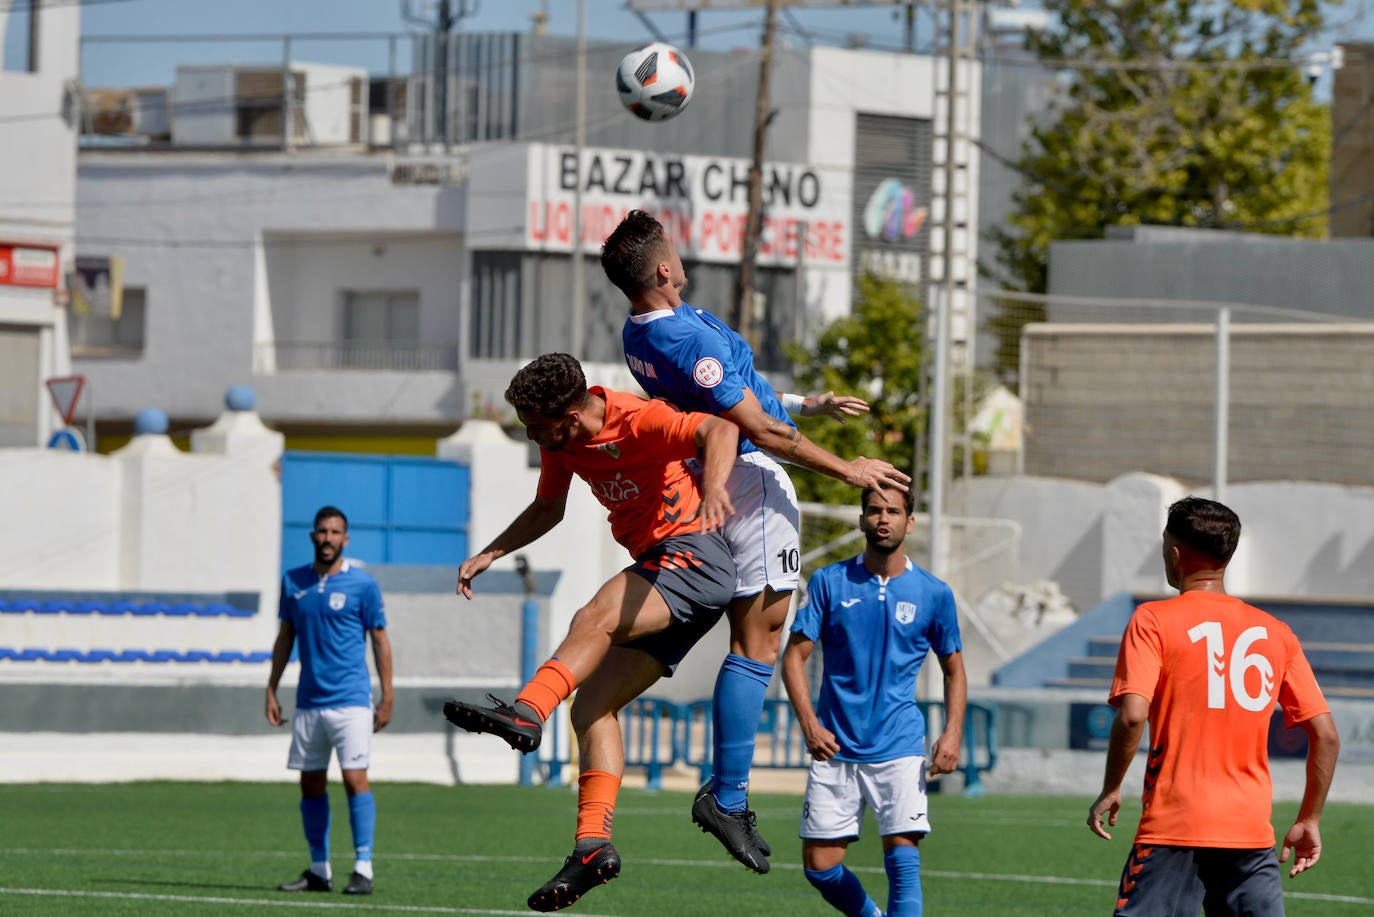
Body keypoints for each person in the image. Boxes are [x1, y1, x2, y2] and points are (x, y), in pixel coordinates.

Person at [601, 209, 911, 872]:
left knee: (748, 640)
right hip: (753, 480)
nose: (682, 258)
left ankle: (726, 790)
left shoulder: (642, 329)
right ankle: (730, 794)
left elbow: (733, 393)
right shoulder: (684, 336)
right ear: (661, 269)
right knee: (759, 642)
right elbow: (758, 429)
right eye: (674, 252)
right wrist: (848, 467)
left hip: (719, 474)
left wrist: (802, 401)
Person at [443, 353, 741, 911]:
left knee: (593, 618)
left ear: (573, 416)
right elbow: (548, 508)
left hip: (693, 559)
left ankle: (527, 711)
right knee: (592, 708)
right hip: (674, 586)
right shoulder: (561, 445)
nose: (530, 435)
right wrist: (491, 553)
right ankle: (591, 846)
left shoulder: (639, 419)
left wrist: (717, 488)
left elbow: (720, 427)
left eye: (535, 426)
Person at [1087, 496, 1341, 916]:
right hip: (1250, 834)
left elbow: (1133, 715)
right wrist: (1309, 818)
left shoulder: (1152, 620)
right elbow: (1327, 736)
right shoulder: (1276, 632)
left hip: (1173, 827)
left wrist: (1111, 787)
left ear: (1174, 553)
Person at [781, 485, 966, 917]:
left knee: (902, 861)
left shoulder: (934, 593)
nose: (884, 518)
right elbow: (793, 656)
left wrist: (952, 733)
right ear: (862, 519)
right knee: (819, 867)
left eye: (894, 511)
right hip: (835, 745)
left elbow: (954, 669)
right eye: (875, 510)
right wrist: (809, 724)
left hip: (899, 744)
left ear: (909, 522)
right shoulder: (829, 581)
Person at [267, 505, 394, 896]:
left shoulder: (363, 585)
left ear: (345, 539)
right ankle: (319, 869)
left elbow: (379, 640)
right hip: (309, 702)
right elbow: (286, 637)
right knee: (310, 785)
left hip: (352, 701)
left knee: (355, 779)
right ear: (312, 537)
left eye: (335, 532)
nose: (328, 538)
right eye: (322, 531)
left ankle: (363, 868)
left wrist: (387, 694)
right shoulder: (293, 582)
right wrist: (272, 687)